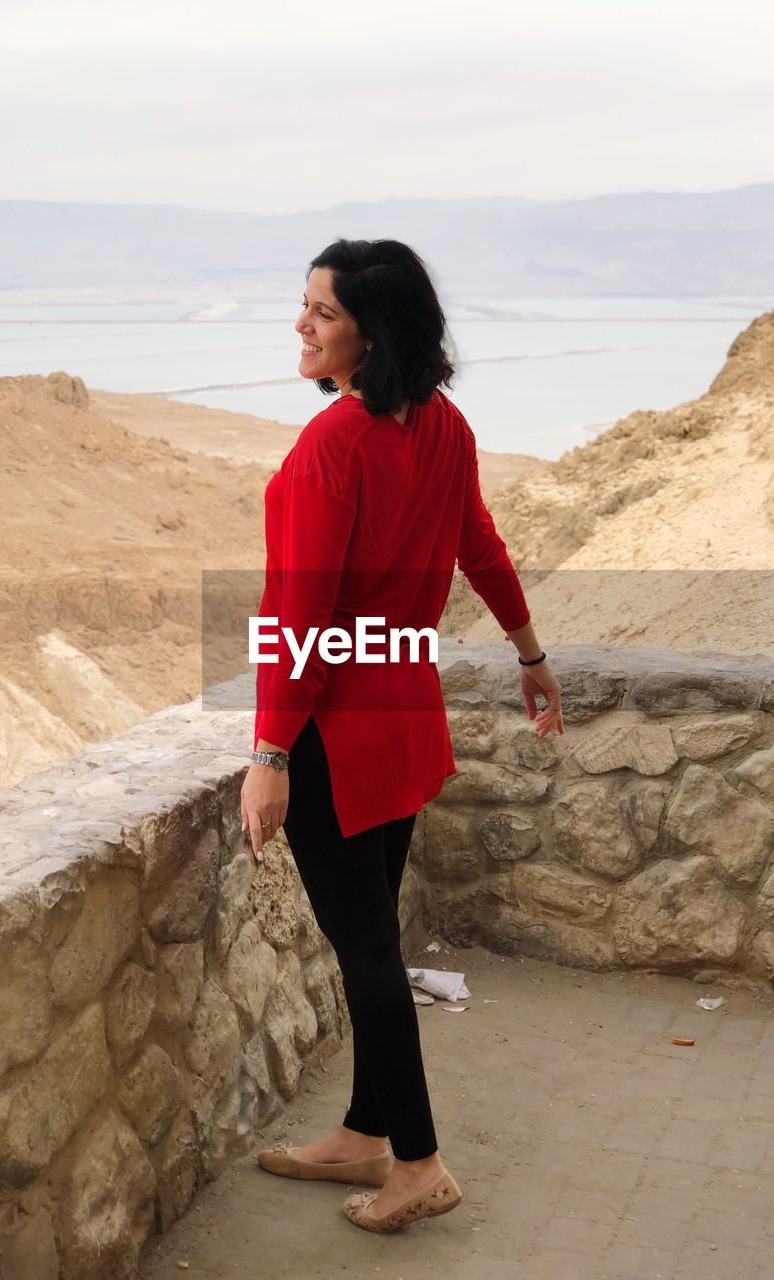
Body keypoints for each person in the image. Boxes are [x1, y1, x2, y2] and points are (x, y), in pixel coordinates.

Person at [240, 238, 564, 1233]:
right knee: (371, 936)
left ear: (370, 335)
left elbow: (302, 618)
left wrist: (268, 754)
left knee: (368, 950)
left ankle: (418, 1164)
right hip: (405, 717)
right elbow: (481, 544)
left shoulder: (331, 448)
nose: (303, 324)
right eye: (304, 305)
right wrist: (529, 652)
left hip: (339, 732)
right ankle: (365, 1128)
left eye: (323, 312)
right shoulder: (443, 424)